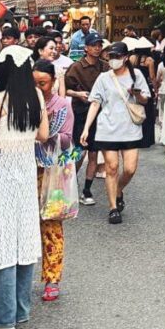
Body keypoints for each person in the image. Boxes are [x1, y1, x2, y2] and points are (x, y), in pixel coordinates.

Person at [0, 45, 48, 329]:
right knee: (22, 238)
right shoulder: (36, 96)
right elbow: (43, 135)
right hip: (25, 176)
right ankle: (20, 310)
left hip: (1, 176)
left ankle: (0, 318)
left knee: (0, 240)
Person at [79, 42, 150, 224]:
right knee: (111, 168)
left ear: (126, 57)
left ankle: (118, 190)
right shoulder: (103, 78)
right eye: (111, 57)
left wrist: (136, 94)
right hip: (107, 129)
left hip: (130, 130)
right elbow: (95, 103)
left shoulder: (137, 75)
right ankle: (112, 208)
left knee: (129, 169)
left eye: (117, 57)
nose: (113, 60)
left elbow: (145, 100)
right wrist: (86, 128)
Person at [32, 59, 74, 303]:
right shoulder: (25, 103)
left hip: (53, 173)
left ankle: (52, 278)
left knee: (51, 227)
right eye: (34, 83)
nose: (39, 88)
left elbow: (68, 140)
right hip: (28, 171)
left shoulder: (62, 105)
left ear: (53, 81)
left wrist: (46, 127)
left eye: (43, 83)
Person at [64, 32, 108, 205]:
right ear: (86, 48)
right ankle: (69, 182)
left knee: (93, 153)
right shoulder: (76, 67)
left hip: (100, 114)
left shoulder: (105, 67)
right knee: (78, 151)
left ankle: (87, 190)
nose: (97, 48)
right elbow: (65, 89)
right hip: (80, 112)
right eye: (94, 45)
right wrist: (78, 94)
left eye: (99, 45)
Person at [127, 42, 156, 149]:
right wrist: (155, 90)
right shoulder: (149, 60)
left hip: (133, 86)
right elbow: (152, 77)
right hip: (145, 88)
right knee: (147, 114)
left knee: (135, 110)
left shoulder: (131, 58)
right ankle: (146, 139)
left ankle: (134, 137)